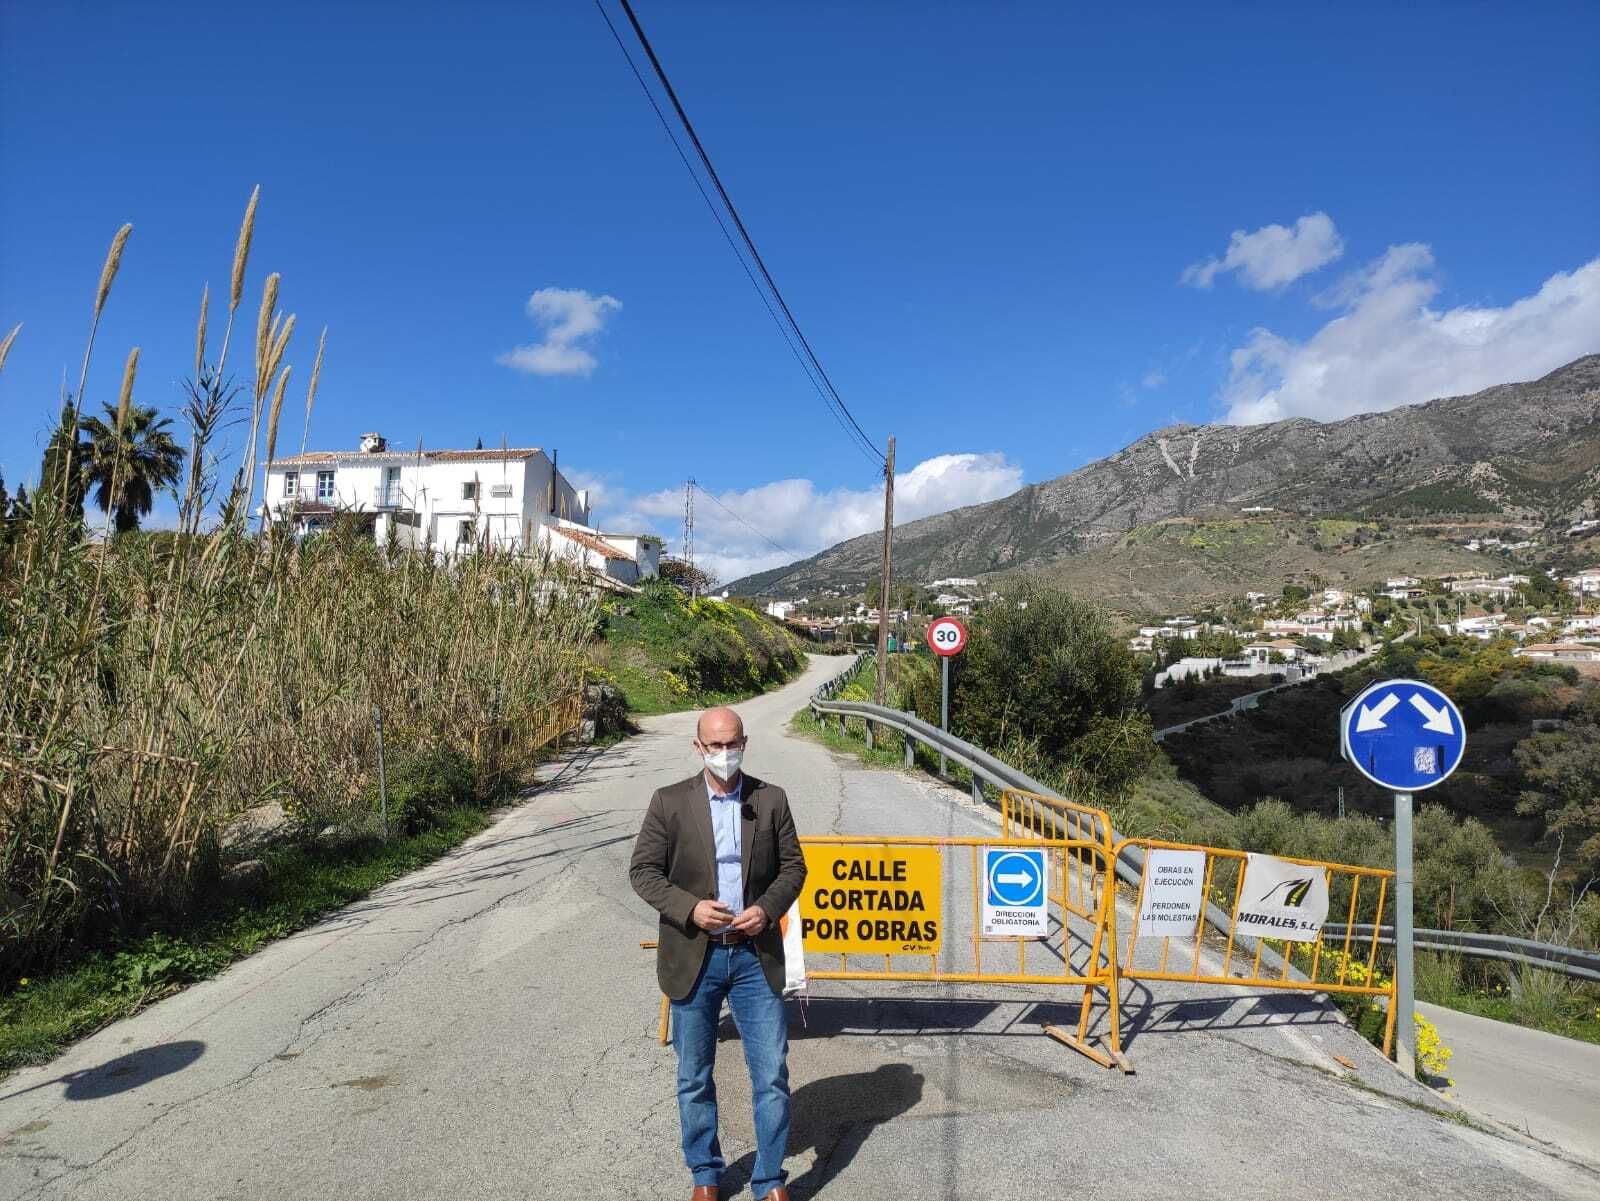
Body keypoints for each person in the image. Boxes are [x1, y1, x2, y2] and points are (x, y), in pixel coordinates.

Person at [630, 705, 807, 1201]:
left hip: (755, 956)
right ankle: (705, 1174)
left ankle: (769, 1179)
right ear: (698, 747)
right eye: (715, 745)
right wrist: (689, 909)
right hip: (695, 955)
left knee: (771, 1073)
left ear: (745, 743)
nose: (725, 754)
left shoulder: (771, 799)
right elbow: (643, 872)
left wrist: (767, 910)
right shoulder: (668, 803)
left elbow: (794, 868)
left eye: (732, 744)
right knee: (693, 1074)